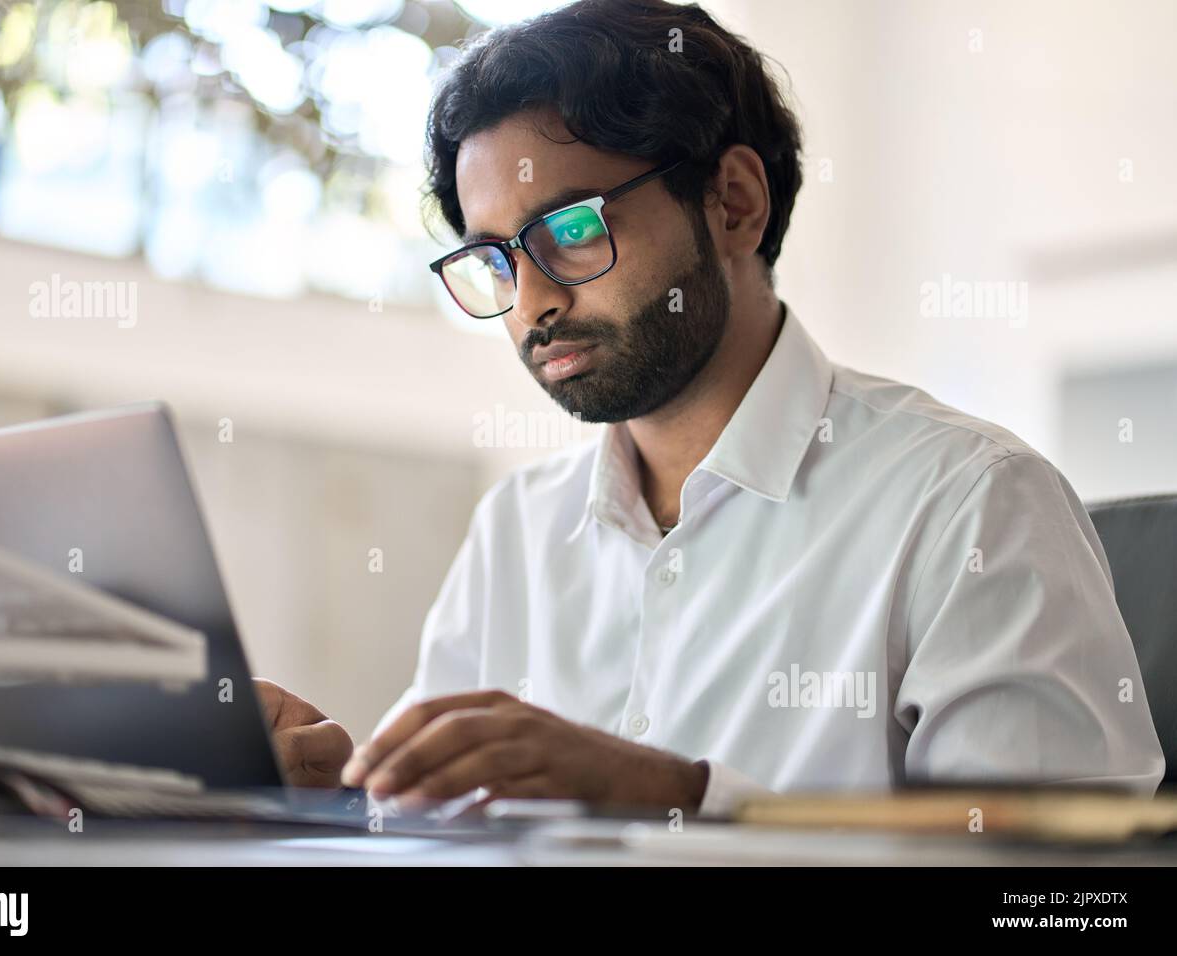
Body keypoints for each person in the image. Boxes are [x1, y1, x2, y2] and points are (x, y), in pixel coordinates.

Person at [256, 0, 1164, 816]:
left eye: (572, 230)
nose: (530, 302)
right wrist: (342, 792)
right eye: (494, 258)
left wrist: (683, 800)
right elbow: (444, 829)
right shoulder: (517, 532)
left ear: (733, 203)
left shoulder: (971, 504)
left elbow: (1060, 901)